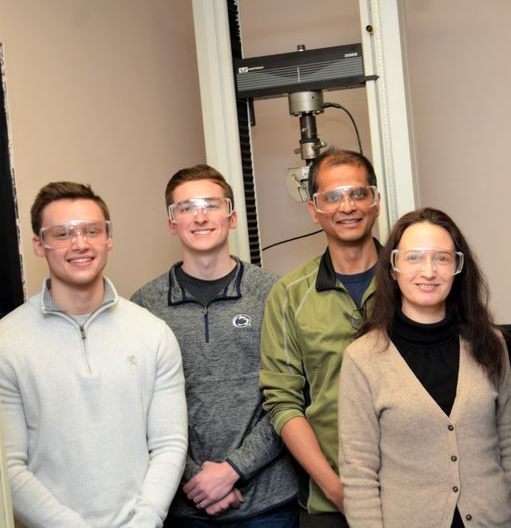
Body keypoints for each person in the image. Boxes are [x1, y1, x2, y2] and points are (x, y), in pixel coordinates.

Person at [0, 181, 187, 527]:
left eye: (91, 230)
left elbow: (169, 443)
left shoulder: (152, 333)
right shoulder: (7, 341)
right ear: (39, 245)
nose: (80, 244)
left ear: (108, 238)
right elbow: (8, 465)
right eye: (62, 233)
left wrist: (146, 519)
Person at [132, 165, 298, 526]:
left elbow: (291, 396)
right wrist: (193, 476)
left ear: (233, 216)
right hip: (183, 503)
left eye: (211, 204)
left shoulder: (273, 293)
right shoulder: (145, 305)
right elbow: (138, 407)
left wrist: (234, 469)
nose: (200, 216)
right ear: (171, 223)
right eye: (186, 207)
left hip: (268, 503)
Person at [338, 207, 511, 527]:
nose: (429, 271)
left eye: (442, 258)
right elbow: (359, 475)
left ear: (457, 268)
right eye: (414, 258)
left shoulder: (490, 343)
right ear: (393, 268)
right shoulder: (363, 358)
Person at [260, 148, 381, 527]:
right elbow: (283, 402)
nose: (348, 206)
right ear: (314, 210)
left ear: (375, 202)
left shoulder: (412, 280)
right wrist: (335, 488)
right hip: (330, 504)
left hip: (414, 493)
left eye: (358, 193)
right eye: (332, 196)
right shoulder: (291, 294)